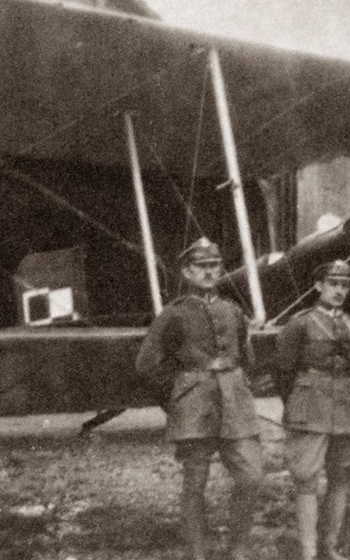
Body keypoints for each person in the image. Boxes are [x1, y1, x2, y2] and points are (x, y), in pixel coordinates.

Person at [135, 237, 263, 560]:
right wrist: (177, 397)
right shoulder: (174, 315)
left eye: (214, 266)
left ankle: (238, 549)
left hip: (235, 405)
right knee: (195, 484)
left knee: (251, 476)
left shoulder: (233, 310)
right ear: (187, 272)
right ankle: (198, 553)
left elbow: (247, 357)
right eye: (201, 267)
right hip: (194, 409)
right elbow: (146, 365)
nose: (209, 273)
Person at [271, 260, 350, 560]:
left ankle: (330, 545)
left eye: (345, 285)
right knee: (306, 478)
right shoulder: (300, 323)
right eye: (333, 284)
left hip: (347, 409)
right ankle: (308, 550)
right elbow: (282, 371)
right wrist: (298, 403)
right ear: (318, 286)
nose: (339, 291)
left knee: (341, 476)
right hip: (310, 407)